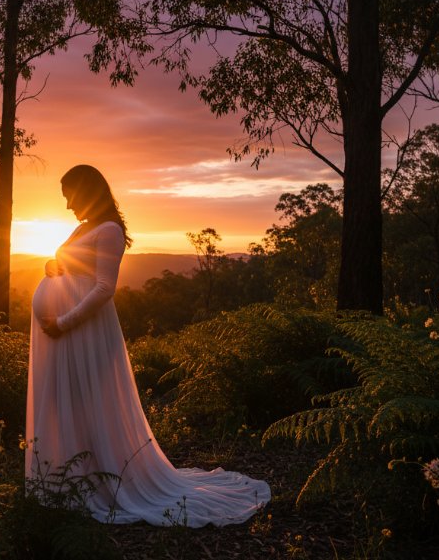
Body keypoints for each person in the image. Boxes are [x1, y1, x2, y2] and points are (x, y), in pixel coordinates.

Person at [26, 164, 271, 527]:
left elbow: (104, 288)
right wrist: (53, 267)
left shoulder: (109, 230)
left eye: (69, 197)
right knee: (68, 402)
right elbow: (72, 266)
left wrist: (63, 322)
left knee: (89, 401)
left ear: (86, 191)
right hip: (65, 334)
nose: (66, 206)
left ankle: (99, 479)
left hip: (83, 331)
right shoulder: (83, 228)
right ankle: (67, 476)